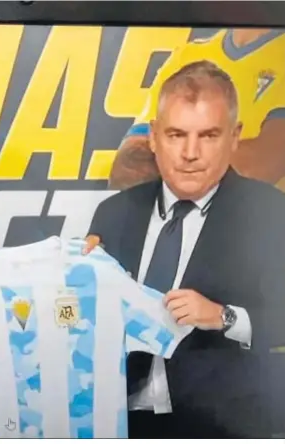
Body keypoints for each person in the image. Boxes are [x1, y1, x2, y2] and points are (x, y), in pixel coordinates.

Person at [84, 60, 285, 438]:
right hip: (120, 422)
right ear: (155, 137)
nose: (190, 152)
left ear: (235, 136)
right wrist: (77, 281)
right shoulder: (113, 213)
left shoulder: (272, 212)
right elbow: (81, 324)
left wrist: (224, 317)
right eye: (176, 135)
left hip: (223, 426)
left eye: (208, 135)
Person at [109, 28, 285, 191]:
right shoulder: (187, 55)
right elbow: (129, 165)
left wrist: (165, 161)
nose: (190, 154)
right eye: (176, 135)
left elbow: (259, 166)